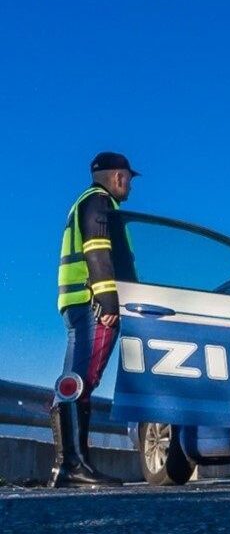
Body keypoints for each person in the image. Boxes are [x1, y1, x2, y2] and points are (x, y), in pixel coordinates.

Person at [50, 152, 138, 487]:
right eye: (128, 178)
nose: (129, 185)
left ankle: (66, 466)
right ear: (118, 176)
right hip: (92, 304)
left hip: (75, 302)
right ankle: (75, 466)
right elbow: (97, 250)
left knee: (73, 379)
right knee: (83, 379)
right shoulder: (100, 202)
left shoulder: (83, 202)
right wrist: (109, 301)